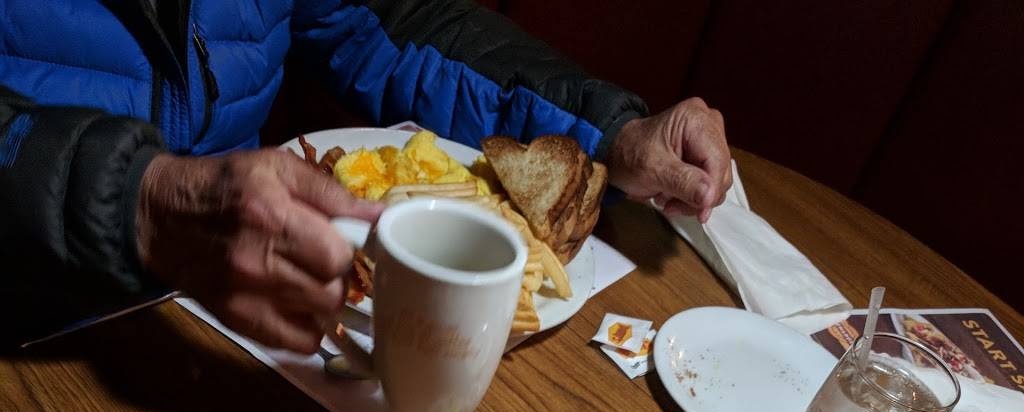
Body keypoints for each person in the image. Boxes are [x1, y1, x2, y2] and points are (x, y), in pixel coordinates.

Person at [0, 0, 731, 350]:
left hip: (233, 330)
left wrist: (605, 131)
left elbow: (384, 26)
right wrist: (135, 201)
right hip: (38, 340)